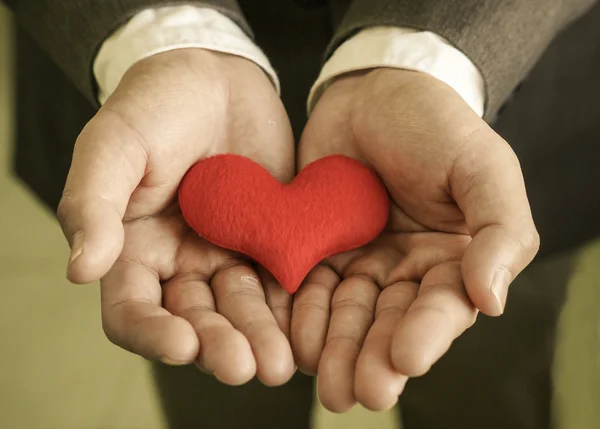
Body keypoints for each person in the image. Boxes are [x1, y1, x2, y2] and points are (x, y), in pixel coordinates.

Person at [5, 0, 600, 428]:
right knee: (216, 381)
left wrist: (428, 55)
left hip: (486, 137)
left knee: (484, 381)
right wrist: (160, 41)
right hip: (164, 175)